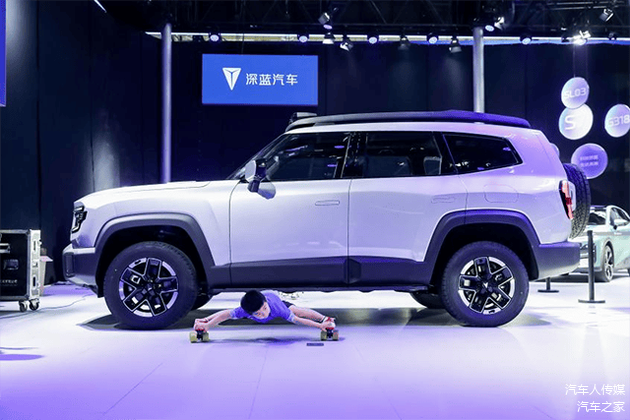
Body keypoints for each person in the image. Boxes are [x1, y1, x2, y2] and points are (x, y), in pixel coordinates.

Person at [193, 290, 336, 333]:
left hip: (275, 299)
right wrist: (207, 325)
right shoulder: (245, 310)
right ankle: (204, 320)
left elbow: (299, 320)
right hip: (259, 298)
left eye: (264, 309)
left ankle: (324, 318)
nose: (264, 314)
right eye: (259, 314)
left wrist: (320, 326)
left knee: (297, 311)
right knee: (231, 314)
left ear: (266, 304)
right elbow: (225, 315)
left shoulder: (278, 308)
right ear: (250, 313)